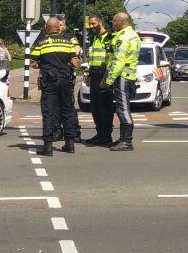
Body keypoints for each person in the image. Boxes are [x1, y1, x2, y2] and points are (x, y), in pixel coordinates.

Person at [30, 16, 82, 156]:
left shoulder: (41, 43)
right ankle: (70, 144)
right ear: (58, 28)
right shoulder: (67, 43)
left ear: (47, 28)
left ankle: (48, 146)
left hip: (49, 82)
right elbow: (75, 62)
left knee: (48, 112)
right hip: (65, 81)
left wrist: (42, 65)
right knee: (67, 111)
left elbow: (32, 63)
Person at [102, 11, 141, 150]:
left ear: (119, 22)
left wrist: (109, 80)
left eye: (113, 21)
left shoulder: (123, 37)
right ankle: (123, 138)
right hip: (128, 76)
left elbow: (119, 61)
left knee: (123, 109)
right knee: (123, 107)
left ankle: (127, 141)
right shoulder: (133, 34)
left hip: (122, 77)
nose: (112, 24)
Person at [84, 14, 115, 146]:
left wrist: (106, 78)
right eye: (89, 24)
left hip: (104, 75)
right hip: (94, 74)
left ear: (100, 22)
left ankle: (106, 136)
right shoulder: (94, 38)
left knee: (105, 107)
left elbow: (111, 58)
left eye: (93, 23)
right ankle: (100, 134)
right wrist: (89, 75)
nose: (91, 26)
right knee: (95, 107)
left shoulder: (109, 38)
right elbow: (92, 59)